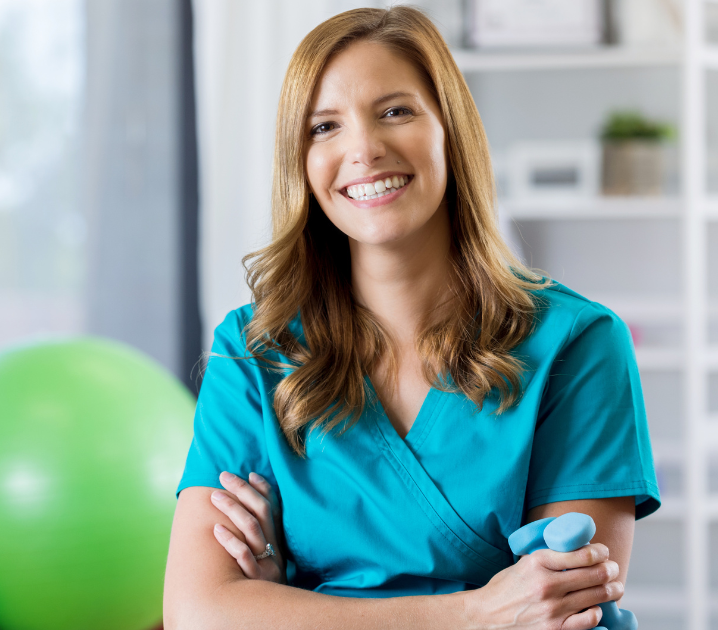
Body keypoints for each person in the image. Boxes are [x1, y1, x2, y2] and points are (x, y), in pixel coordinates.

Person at [163, 7, 658, 630]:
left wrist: (290, 602)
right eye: (323, 127)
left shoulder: (578, 344)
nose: (364, 149)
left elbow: (562, 613)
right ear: (300, 161)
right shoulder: (252, 351)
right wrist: (476, 612)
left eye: (396, 111)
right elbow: (199, 612)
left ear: (451, 129)